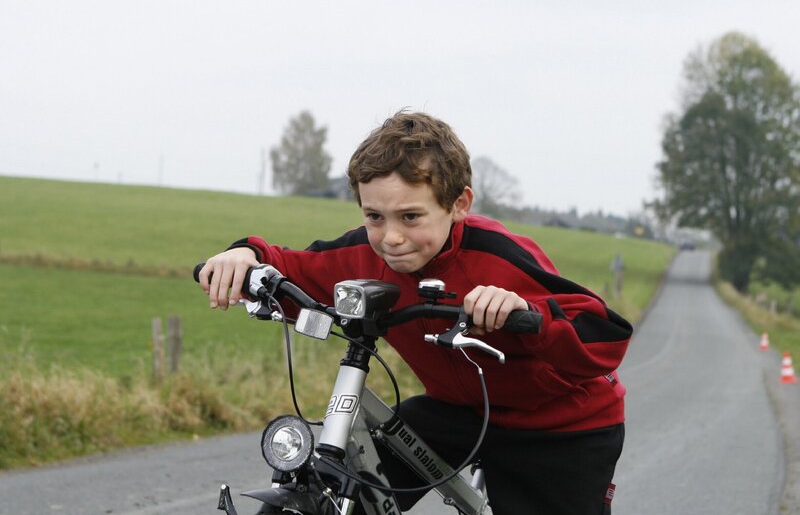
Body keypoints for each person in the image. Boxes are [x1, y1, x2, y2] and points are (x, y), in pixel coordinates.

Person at [198, 111, 632, 515]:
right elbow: (292, 267)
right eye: (374, 216)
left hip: (557, 424)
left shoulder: (497, 257)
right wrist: (245, 255)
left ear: (458, 204)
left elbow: (604, 333)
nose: (390, 237)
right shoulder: (365, 254)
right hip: (458, 412)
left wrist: (527, 314)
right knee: (343, 483)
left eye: (410, 217)